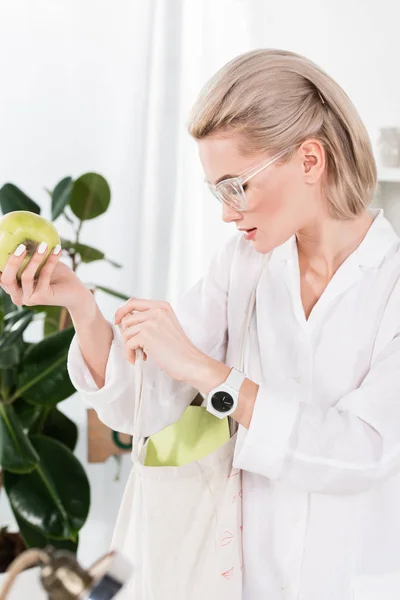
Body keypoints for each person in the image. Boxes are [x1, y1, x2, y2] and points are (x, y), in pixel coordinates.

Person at [2, 48, 400, 600]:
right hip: (241, 582)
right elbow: (143, 403)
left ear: (310, 161)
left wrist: (208, 373)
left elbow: (367, 451)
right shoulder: (244, 264)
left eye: (237, 186)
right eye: (217, 191)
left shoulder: (392, 285)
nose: (226, 212)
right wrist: (80, 306)